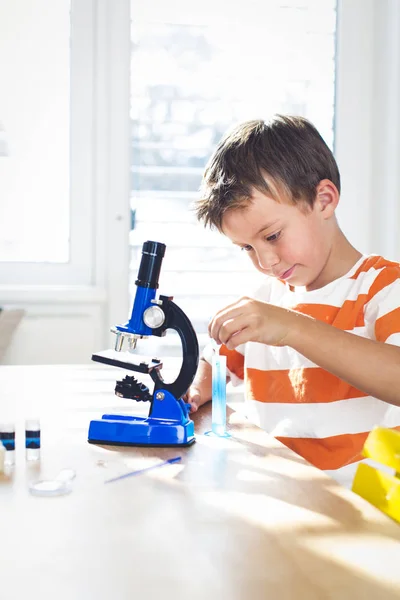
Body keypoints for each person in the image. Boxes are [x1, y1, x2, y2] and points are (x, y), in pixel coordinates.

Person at [185, 115, 400, 487]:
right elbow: (213, 365)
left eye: (272, 235)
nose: (265, 261)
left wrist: (292, 328)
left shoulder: (384, 289)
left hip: (368, 517)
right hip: (287, 507)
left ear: (324, 199)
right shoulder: (264, 304)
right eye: (247, 248)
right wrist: (194, 390)